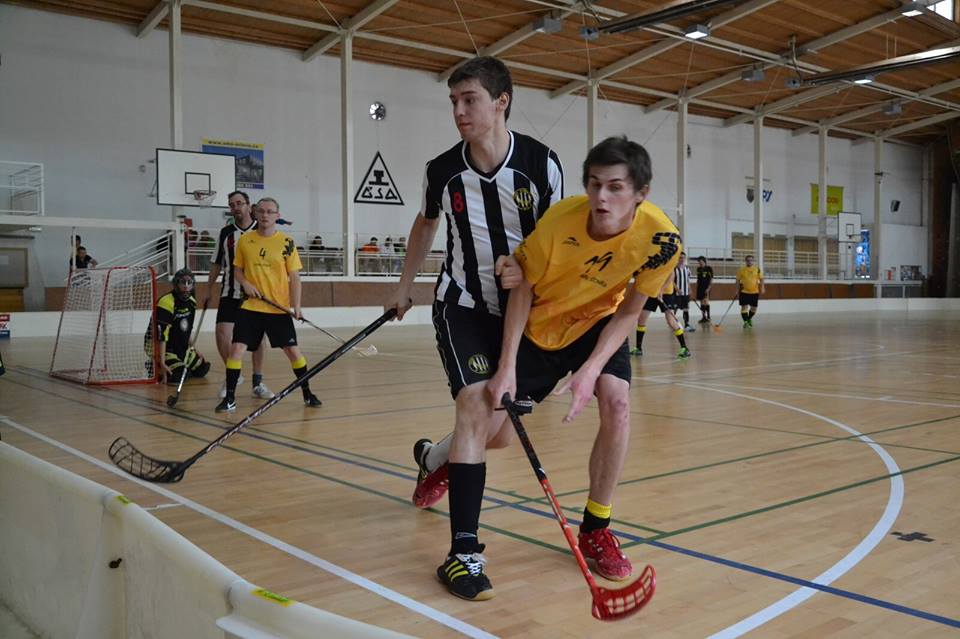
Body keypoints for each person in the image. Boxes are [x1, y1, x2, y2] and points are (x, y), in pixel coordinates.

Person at [479, 136, 679, 600]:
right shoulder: (560, 221)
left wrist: (590, 370)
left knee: (617, 402)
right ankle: (437, 459)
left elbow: (631, 310)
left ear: (641, 193)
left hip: (600, 320)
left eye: (615, 187)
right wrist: (507, 366)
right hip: (542, 326)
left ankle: (597, 527)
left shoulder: (662, 240)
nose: (601, 197)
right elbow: (522, 287)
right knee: (494, 433)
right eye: (594, 184)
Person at [384, 56, 563, 540]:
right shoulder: (442, 170)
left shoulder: (540, 164)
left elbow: (556, 243)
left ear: (502, 101)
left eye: (470, 100)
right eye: (454, 102)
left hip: (521, 314)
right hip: (461, 303)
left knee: (499, 434)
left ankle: (433, 457)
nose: (459, 112)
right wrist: (404, 287)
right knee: (473, 405)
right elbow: (426, 223)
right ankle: (465, 547)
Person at [215, 197, 321, 412]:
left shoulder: (286, 242)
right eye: (261, 211)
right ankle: (230, 399)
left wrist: (297, 306)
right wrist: (245, 284)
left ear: (277, 216)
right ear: (255, 213)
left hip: (277, 308)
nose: (265, 215)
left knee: (293, 352)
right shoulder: (245, 241)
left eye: (270, 212)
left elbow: (295, 277)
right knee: (237, 349)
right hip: (251, 307)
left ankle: (307, 393)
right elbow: (237, 270)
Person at [206, 191, 274, 400]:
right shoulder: (226, 233)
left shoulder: (262, 229)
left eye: (239, 203)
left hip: (255, 295)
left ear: (248, 205)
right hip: (229, 292)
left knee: (257, 340)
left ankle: (258, 382)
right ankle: (233, 376)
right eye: (232, 204)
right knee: (222, 334)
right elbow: (216, 264)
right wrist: (208, 290)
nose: (235, 207)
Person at [145, 268, 210, 384]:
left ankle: (178, 363)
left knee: (202, 369)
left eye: (189, 282)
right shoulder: (166, 302)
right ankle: (154, 365)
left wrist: (194, 348)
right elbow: (162, 335)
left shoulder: (191, 302)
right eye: (182, 282)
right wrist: (163, 362)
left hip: (178, 345)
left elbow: (186, 330)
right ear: (176, 283)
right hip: (159, 345)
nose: (186, 286)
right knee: (179, 376)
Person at [632, 271, 691, 359]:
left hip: (666, 294)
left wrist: (661, 290)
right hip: (652, 293)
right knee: (641, 320)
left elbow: (671, 275)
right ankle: (638, 348)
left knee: (671, 322)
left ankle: (684, 348)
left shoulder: (667, 262)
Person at [736, 254, 764, 327]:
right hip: (744, 291)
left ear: (753, 261)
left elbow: (761, 279)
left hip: (754, 292)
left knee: (753, 309)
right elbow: (737, 281)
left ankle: (749, 319)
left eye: (751, 260)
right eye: (748, 260)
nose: (749, 262)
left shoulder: (757, 269)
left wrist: (762, 287)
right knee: (744, 307)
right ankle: (745, 322)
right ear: (745, 261)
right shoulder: (741, 270)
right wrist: (737, 290)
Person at [673, 251, 694, 332]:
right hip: (677, 293)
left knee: (686, 308)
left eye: (683, 258)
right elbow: (671, 281)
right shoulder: (674, 268)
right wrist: (677, 289)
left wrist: (690, 289)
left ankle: (686, 324)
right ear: (678, 258)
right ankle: (673, 323)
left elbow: (687, 280)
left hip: (685, 293)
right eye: (680, 258)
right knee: (675, 309)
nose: (682, 259)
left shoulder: (687, 268)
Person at [695, 255, 713, 323]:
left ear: (704, 261)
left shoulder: (709, 268)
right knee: (701, 302)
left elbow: (711, 279)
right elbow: (698, 279)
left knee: (706, 301)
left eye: (701, 261)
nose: (700, 263)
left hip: (706, 288)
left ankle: (708, 316)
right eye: (699, 262)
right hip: (700, 288)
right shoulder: (698, 269)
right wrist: (697, 287)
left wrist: (709, 288)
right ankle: (703, 317)